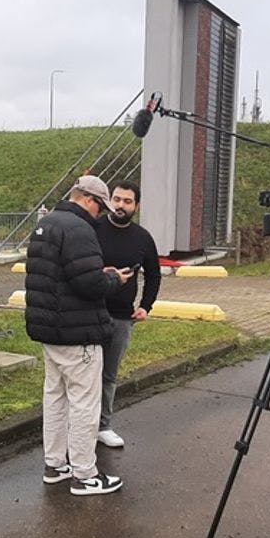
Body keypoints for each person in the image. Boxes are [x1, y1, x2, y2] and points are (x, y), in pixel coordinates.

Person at [25, 175, 132, 496]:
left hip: (50, 330)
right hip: (78, 333)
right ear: (89, 200)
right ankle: (85, 474)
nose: (100, 215)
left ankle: (55, 465)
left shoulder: (47, 225)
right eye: (100, 208)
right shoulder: (79, 229)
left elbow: (62, 275)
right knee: (85, 404)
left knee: (55, 399)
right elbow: (90, 284)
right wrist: (113, 280)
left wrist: (99, 273)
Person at [94, 180, 161, 448]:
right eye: (117, 199)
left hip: (122, 317)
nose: (120, 205)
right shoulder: (93, 228)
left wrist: (146, 305)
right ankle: (77, 424)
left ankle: (103, 425)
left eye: (127, 201)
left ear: (136, 205)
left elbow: (154, 275)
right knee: (83, 375)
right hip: (90, 313)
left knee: (109, 374)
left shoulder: (143, 238)